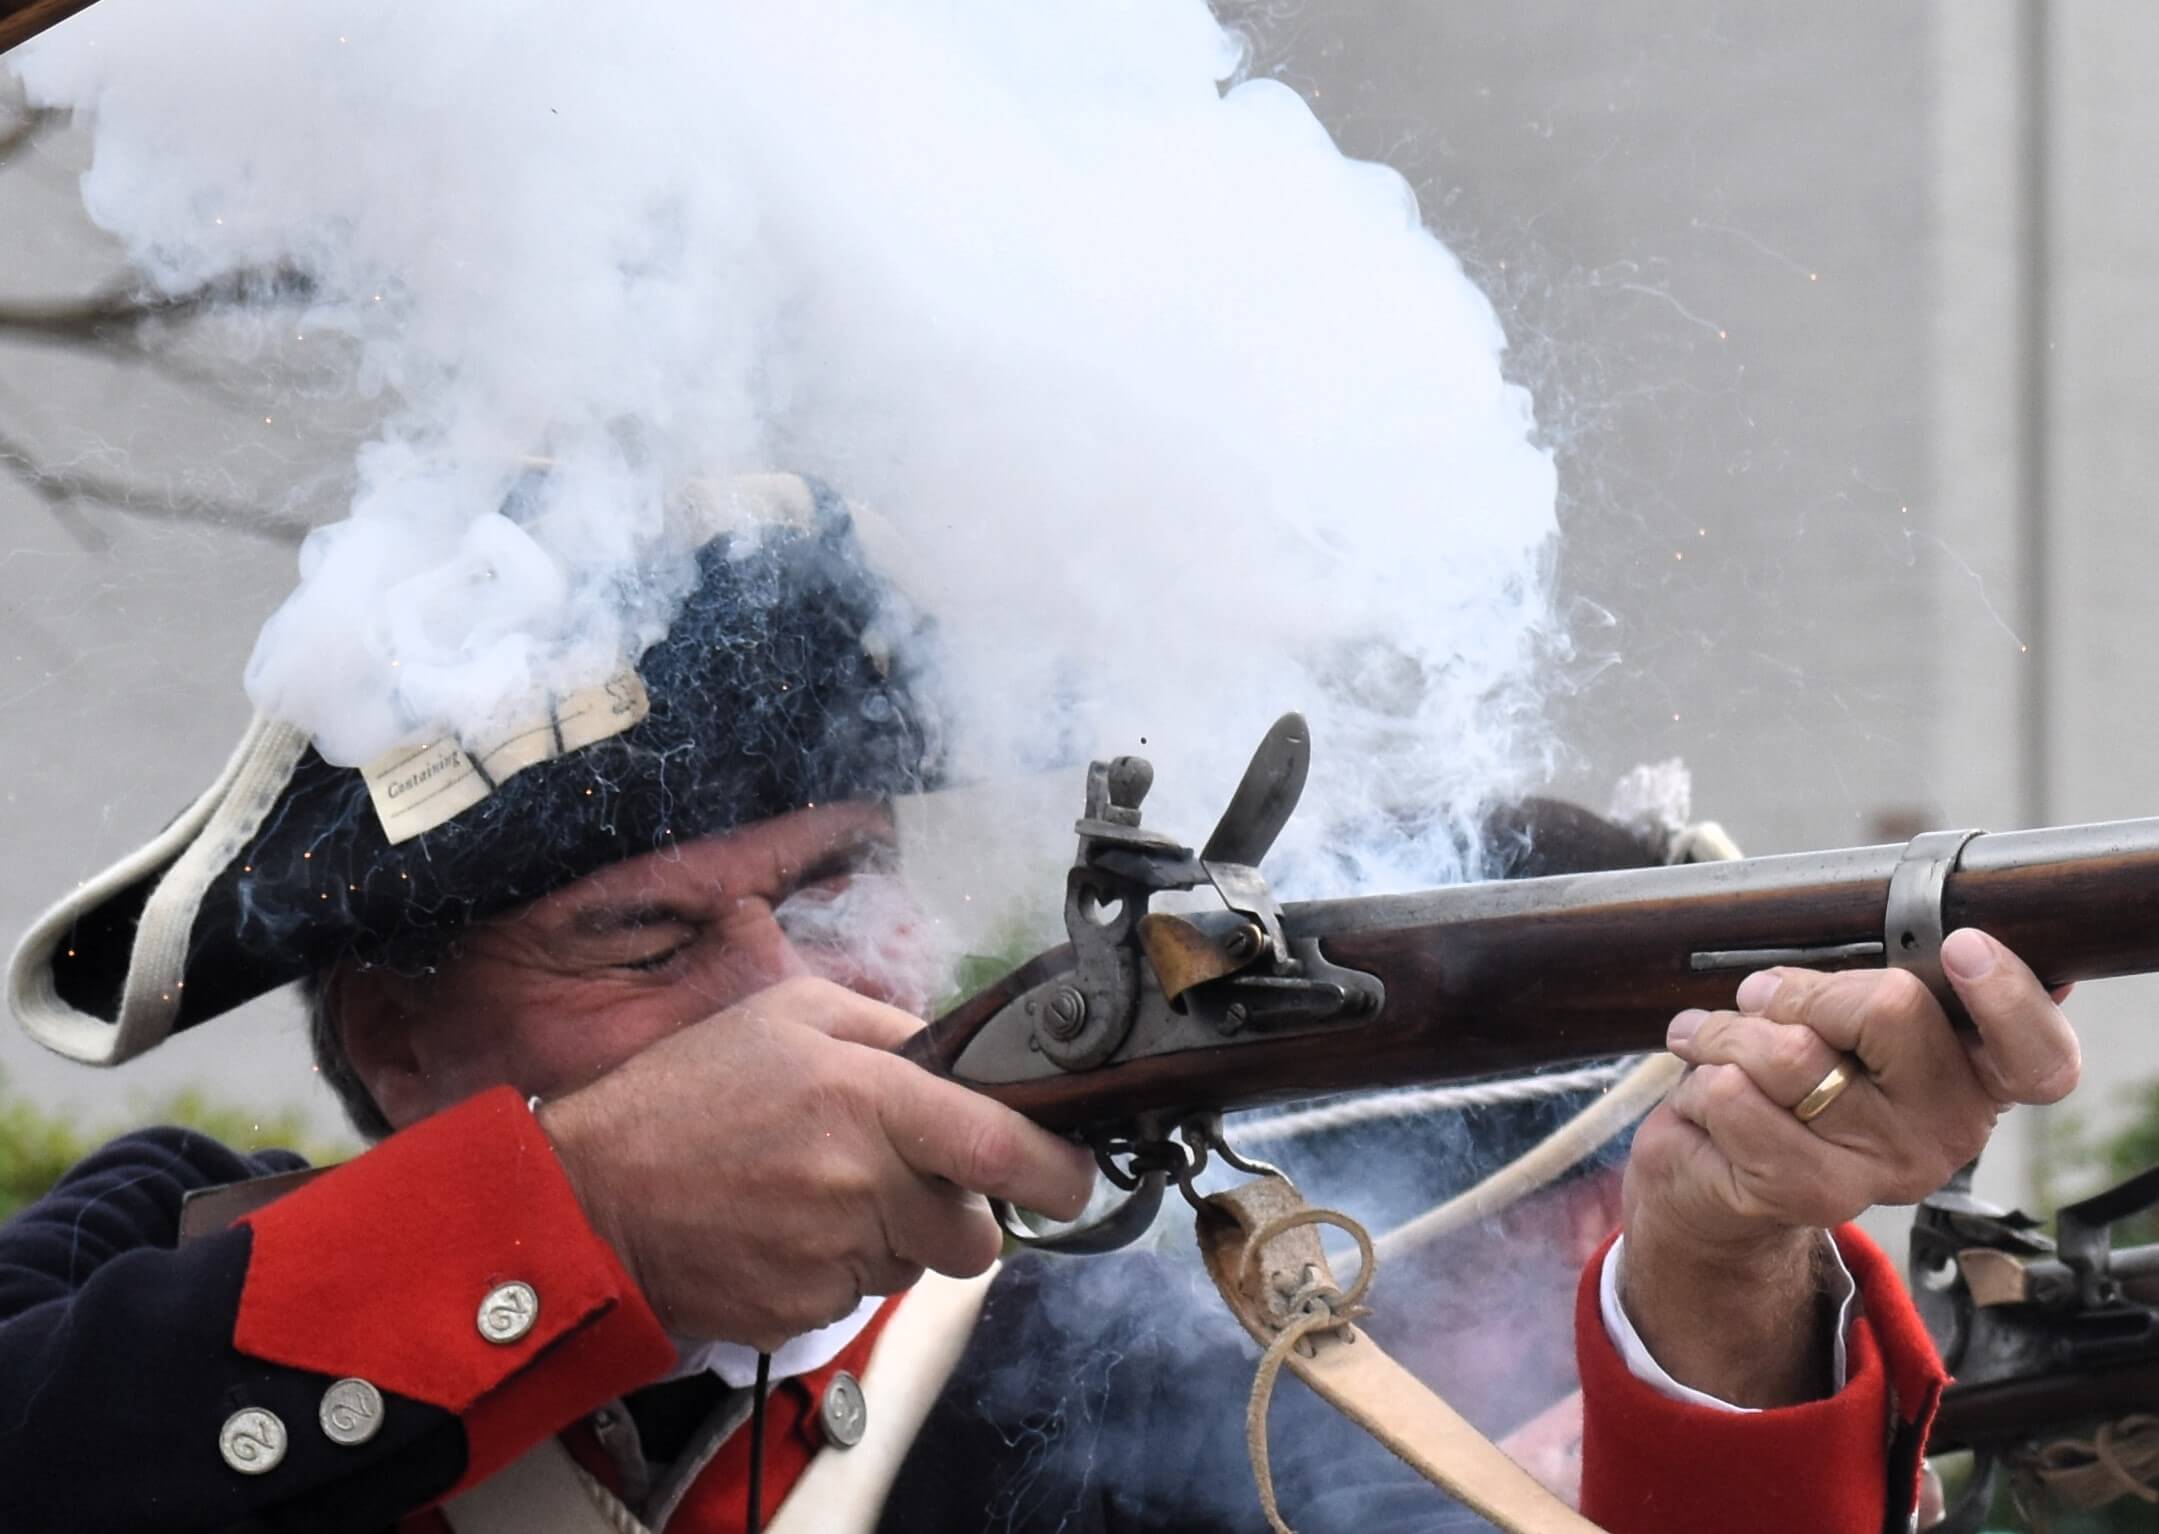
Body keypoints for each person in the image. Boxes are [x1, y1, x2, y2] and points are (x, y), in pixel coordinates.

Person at [0, 483, 2080, 1533]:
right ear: (390, 1035)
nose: (790, 995)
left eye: (834, 882)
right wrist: (584, 1224)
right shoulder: (158, 1279)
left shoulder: (1167, 1367)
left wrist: (1719, 1272)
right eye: (645, 942)